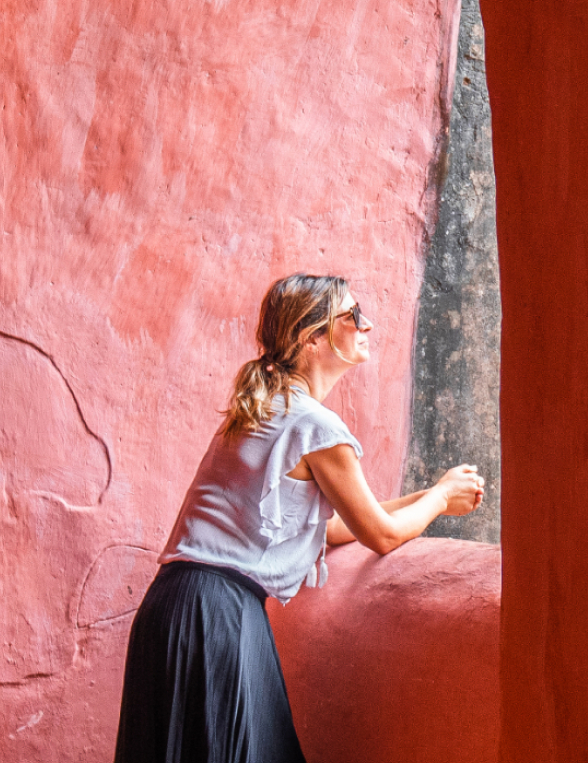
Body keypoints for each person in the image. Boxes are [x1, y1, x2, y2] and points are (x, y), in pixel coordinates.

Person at [111, 273, 486, 763]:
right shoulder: (315, 425)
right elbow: (380, 534)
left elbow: (331, 527)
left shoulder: (261, 409)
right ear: (314, 338)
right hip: (219, 615)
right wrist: (439, 499)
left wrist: (426, 493)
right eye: (353, 316)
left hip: (174, 605)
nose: (366, 325)